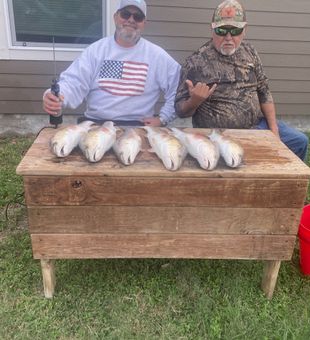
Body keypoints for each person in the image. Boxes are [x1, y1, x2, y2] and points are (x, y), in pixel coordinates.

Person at [174, 0, 308, 161]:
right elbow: (180, 111)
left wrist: (274, 132)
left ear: (244, 30)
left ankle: (284, 182)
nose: (229, 37)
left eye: (235, 30)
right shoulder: (195, 63)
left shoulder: (250, 51)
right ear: (213, 28)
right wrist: (194, 101)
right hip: (220, 134)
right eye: (222, 30)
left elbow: (264, 91)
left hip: (258, 125)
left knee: (300, 142)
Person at [43, 0, 180, 127]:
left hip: (137, 126)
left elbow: (179, 87)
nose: (131, 20)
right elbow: (73, 82)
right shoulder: (96, 50)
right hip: (95, 124)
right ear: (115, 17)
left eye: (137, 17)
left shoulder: (157, 55)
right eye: (125, 14)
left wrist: (163, 118)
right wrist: (56, 96)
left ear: (144, 23)